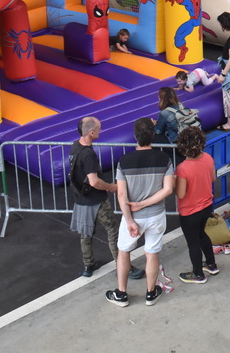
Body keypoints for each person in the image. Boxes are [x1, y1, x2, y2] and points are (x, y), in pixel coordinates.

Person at [105, 117, 174, 307]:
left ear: (135, 136)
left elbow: (121, 195)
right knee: (152, 253)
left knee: (124, 252)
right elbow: (168, 189)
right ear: (152, 135)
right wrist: (143, 204)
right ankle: (151, 293)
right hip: (156, 215)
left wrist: (129, 220)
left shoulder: (124, 161)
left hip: (133, 217)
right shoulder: (164, 159)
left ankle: (121, 294)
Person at [69, 116, 145, 280]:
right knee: (113, 231)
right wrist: (112, 187)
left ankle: (88, 264)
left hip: (81, 199)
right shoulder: (88, 154)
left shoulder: (75, 147)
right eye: (98, 129)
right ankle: (124, 266)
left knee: (86, 233)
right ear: (91, 133)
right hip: (96, 200)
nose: (101, 131)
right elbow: (94, 181)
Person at [174, 126, 218, 284]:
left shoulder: (182, 168)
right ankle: (211, 264)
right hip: (206, 205)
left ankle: (198, 274)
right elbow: (213, 178)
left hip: (189, 211)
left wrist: (172, 184)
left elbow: (180, 194)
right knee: (202, 235)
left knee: (193, 243)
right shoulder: (208, 158)